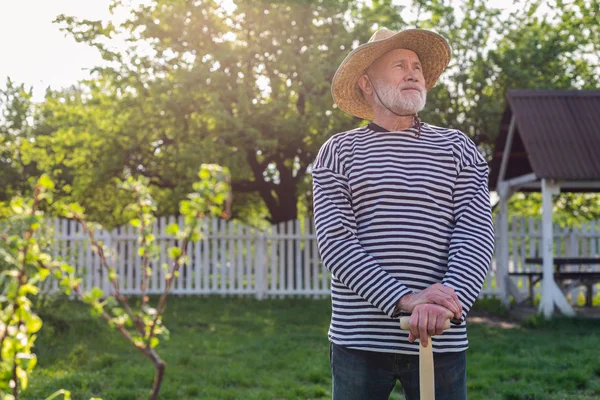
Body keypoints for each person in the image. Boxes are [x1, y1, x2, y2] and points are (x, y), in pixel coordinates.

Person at [311, 27, 495, 400]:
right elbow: (337, 244)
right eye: (399, 64)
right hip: (359, 340)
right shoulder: (338, 152)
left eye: (417, 66)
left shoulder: (458, 149)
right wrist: (405, 299)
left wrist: (446, 303)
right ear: (366, 82)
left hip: (441, 336)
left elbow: (475, 236)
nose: (413, 72)